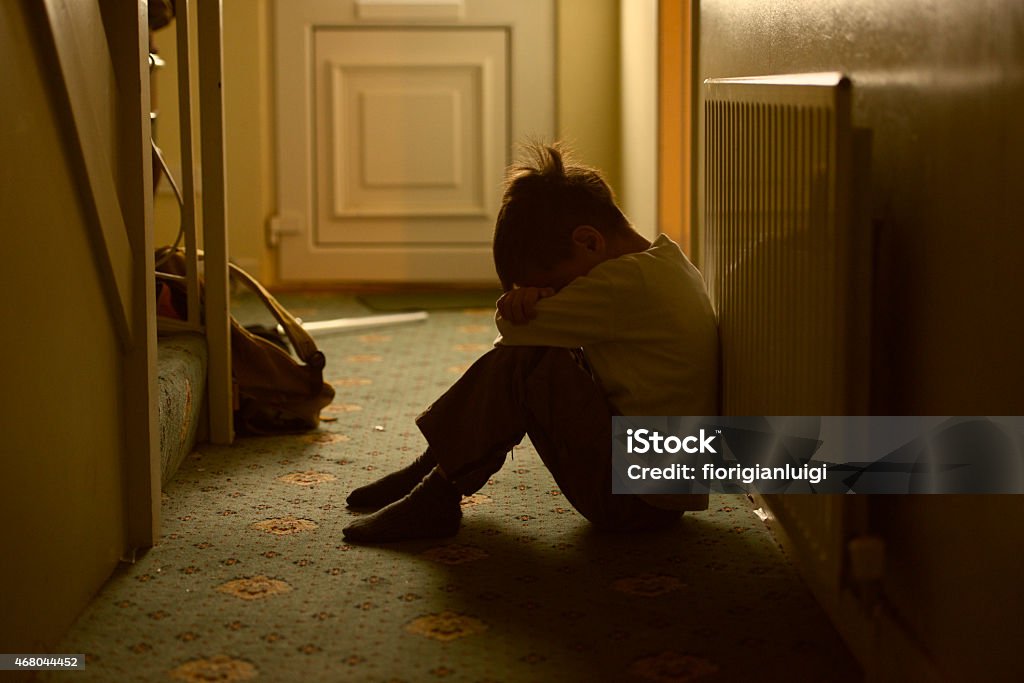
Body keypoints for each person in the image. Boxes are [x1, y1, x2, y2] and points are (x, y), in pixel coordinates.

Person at [342, 143, 719, 543]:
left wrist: (519, 306)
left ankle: (437, 490)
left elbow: (515, 333)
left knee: (529, 361)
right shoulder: (665, 263)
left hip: (634, 502)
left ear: (589, 242)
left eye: (554, 286)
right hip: (663, 489)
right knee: (548, 353)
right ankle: (433, 471)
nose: (553, 295)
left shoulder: (620, 285)